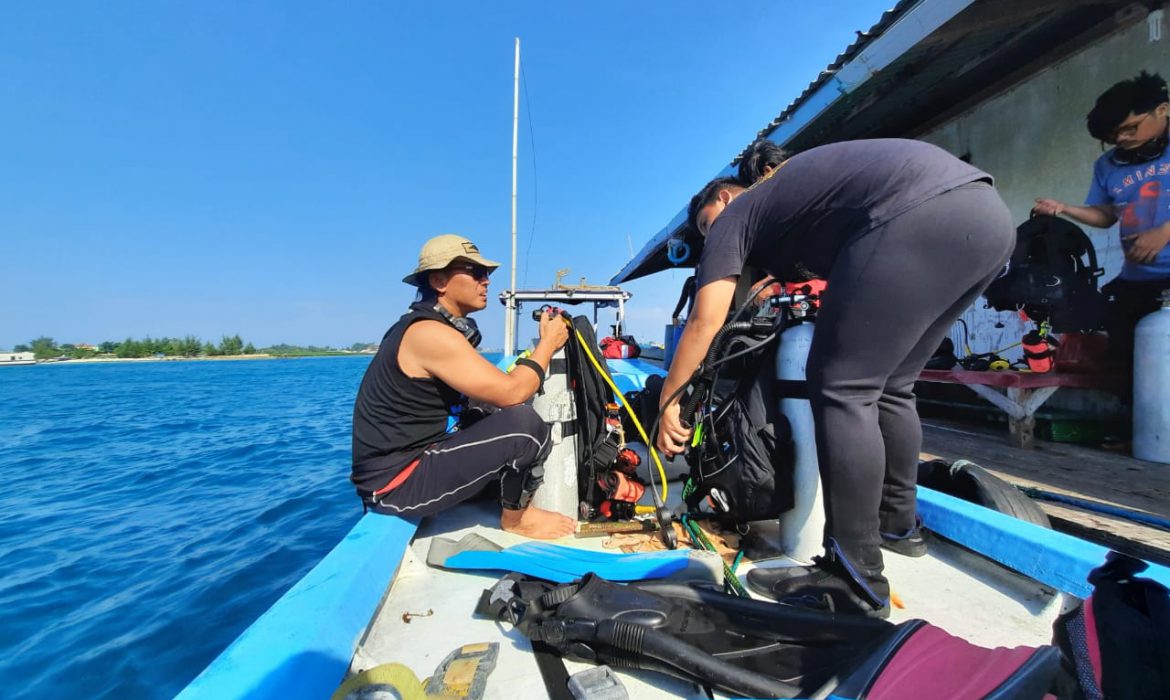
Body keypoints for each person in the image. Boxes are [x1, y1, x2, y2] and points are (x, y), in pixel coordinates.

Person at [657, 139, 1015, 617]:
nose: (710, 237)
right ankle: (898, 527)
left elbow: (706, 321)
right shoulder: (789, 201)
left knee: (841, 387)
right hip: (988, 219)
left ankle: (855, 576)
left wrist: (669, 401)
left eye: (706, 225)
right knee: (893, 387)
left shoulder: (736, 214)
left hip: (914, 213)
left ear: (723, 197)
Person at [351, 234, 575, 539]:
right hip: (397, 484)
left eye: (487, 273)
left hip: (415, 460)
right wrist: (547, 343)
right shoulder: (428, 334)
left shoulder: (426, 326)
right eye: (476, 272)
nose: (486, 281)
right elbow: (513, 392)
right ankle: (518, 520)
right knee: (524, 426)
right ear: (439, 281)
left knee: (486, 410)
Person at [1033, 71, 1170, 371]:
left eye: (1130, 128)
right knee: (1125, 362)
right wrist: (1064, 208)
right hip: (1137, 279)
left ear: (1162, 109)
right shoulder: (1108, 165)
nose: (1121, 139)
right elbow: (1106, 216)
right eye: (1112, 136)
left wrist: (1165, 231)